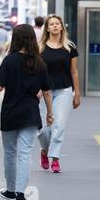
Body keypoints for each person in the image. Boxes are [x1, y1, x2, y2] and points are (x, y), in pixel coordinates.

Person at [0, 24, 53, 200]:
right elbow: (47, 92)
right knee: (25, 153)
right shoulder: (39, 62)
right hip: (30, 113)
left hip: (10, 112)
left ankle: (10, 190)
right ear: (32, 39)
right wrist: (49, 113)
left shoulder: (9, 60)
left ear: (15, 39)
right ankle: (21, 194)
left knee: (10, 152)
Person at [38, 14, 80, 173]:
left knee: (59, 125)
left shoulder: (70, 46)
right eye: (51, 24)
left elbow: (74, 72)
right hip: (43, 91)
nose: (55, 26)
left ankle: (55, 158)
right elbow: (35, 71)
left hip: (64, 90)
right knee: (43, 128)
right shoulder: (40, 47)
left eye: (57, 23)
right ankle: (44, 150)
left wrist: (77, 94)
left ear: (62, 27)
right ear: (47, 28)